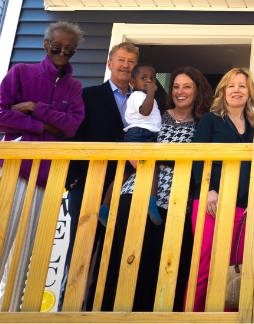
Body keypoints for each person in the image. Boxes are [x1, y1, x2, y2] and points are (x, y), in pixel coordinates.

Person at [0, 21, 85, 312]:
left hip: (46, 176)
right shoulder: (21, 72)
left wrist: (35, 108)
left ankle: (7, 315)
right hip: (11, 167)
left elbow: (71, 126)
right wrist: (44, 125)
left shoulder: (74, 87)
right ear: (46, 45)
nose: (62, 53)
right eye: (57, 47)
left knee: (25, 249)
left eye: (69, 50)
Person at [100, 66, 211, 312]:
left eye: (187, 86)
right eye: (176, 86)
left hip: (176, 202)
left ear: (197, 90)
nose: (180, 91)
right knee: (128, 260)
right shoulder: (158, 114)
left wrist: (160, 158)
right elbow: (133, 138)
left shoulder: (204, 124)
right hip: (137, 192)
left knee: (162, 267)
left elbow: (201, 162)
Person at [66, 40, 139, 298]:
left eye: (131, 61)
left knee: (113, 253)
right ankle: (70, 309)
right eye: (121, 59)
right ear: (109, 64)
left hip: (127, 186)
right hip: (90, 183)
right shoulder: (89, 95)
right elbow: (73, 136)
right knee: (81, 250)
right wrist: (73, 179)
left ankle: (99, 308)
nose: (126, 65)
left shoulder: (142, 100)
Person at [189, 67, 254, 312]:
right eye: (231, 85)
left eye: (242, 85)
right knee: (206, 263)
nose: (236, 90)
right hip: (211, 201)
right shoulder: (211, 119)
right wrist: (208, 190)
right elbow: (199, 156)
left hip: (243, 206)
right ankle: (194, 316)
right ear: (223, 91)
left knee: (234, 268)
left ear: (249, 92)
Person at [118, 63, 162, 225]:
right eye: (143, 78)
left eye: (152, 78)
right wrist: (151, 93)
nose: (149, 82)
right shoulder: (137, 96)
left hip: (146, 134)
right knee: (148, 169)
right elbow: (145, 111)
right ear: (132, 82)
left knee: (131, 171)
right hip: (139, 135)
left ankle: (151, 202)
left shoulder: (144, 96)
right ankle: (150, 201)